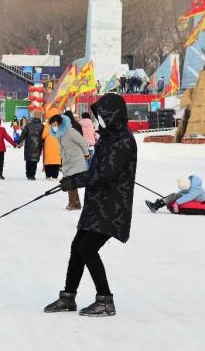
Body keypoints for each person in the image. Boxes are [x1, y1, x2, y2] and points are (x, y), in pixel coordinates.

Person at [45, 93, 137, 317]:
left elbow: (103, 174)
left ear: (112, 115)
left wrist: (74, 181)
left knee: (87, 248)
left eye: (102, 116)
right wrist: (74, 179)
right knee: (78, 247)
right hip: (98, 204)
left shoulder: (123, 141)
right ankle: (68, 297)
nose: (98, 120)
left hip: (112, 208)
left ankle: (105, 300)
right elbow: (98, 169)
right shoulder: (109, 137)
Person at [49, 114, 89, 210]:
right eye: (52, 125)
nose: (53, 127)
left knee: (69, 181)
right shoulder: (59, 134)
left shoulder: (70, 131)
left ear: (60, 123)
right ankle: (77, 204)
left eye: (54, 124)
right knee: (70, 181)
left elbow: (82, 142)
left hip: (76, 159)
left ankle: (72, 203)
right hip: (67, 160)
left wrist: (86, 154)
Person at [18, 112, 43, 180]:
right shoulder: (42, 126)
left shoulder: (28, 125)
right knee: (34, 161)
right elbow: (43, 137)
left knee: (28, 160)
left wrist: (18, 142)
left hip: (28, 145)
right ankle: (32, 175)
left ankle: (28, 174)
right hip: (37, 146)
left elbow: (23, 134)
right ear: (40, 118)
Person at [42, 108, 62, 180]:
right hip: (58, 145)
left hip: (49, 145)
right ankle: (55, 175)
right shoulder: (60, 123)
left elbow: (44, 135)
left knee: (49, 160)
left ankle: (49, 175)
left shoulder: (48, 123)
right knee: (56, 160)